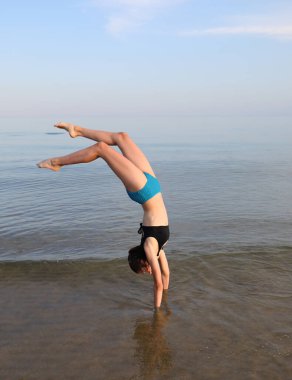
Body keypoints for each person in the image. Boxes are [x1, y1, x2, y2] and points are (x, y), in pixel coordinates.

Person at [37, 122, 170, 309]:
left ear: (144, 262)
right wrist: (163, 300)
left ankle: (55, 162)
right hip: (152, 185)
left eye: (145, 271)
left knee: (101, 149)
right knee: (122, 136)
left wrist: (158, 311)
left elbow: (157, 280)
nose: (149, 272)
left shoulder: (150, 247)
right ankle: (77, 131)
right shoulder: (157, 250)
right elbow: (164, 275)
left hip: (145, 191)